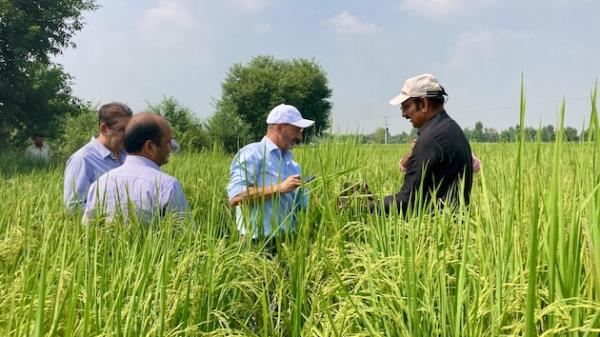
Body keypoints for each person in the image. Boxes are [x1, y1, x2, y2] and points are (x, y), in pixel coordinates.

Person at [376, 73, 473, 214]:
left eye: (406, 107)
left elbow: (406, 201)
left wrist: (364, 207)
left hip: (436, 227)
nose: (404, 114)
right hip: (453, 224)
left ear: (423, 103)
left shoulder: (431, 139)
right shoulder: (452, 129)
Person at [226, 104, 313, 243]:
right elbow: (235, 196)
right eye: (296, 130)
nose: (300, 136)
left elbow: (304, 206)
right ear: (280, 128)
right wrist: (280, 188)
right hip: (256, 243)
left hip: (288, 242)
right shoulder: (253, 154)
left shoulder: (293, 165)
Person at [83, 112, 188, 224]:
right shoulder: (167, 186)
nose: (171, 147)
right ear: (150, 146)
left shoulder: (100, 183)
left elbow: (89, 231)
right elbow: (185, 235)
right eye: (168, 142)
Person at [63, 102, 132, 212]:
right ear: (104, 129)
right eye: (121, 130)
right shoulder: (83, 160)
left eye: (129, 130)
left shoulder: (128, 155)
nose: (127, 135)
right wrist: (111, 216)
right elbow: (73, 207)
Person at [399, 140, 481, 173]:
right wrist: (414, 152)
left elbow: (476, 166)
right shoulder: (423, 143)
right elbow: (403, 167)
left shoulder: (454, 142)